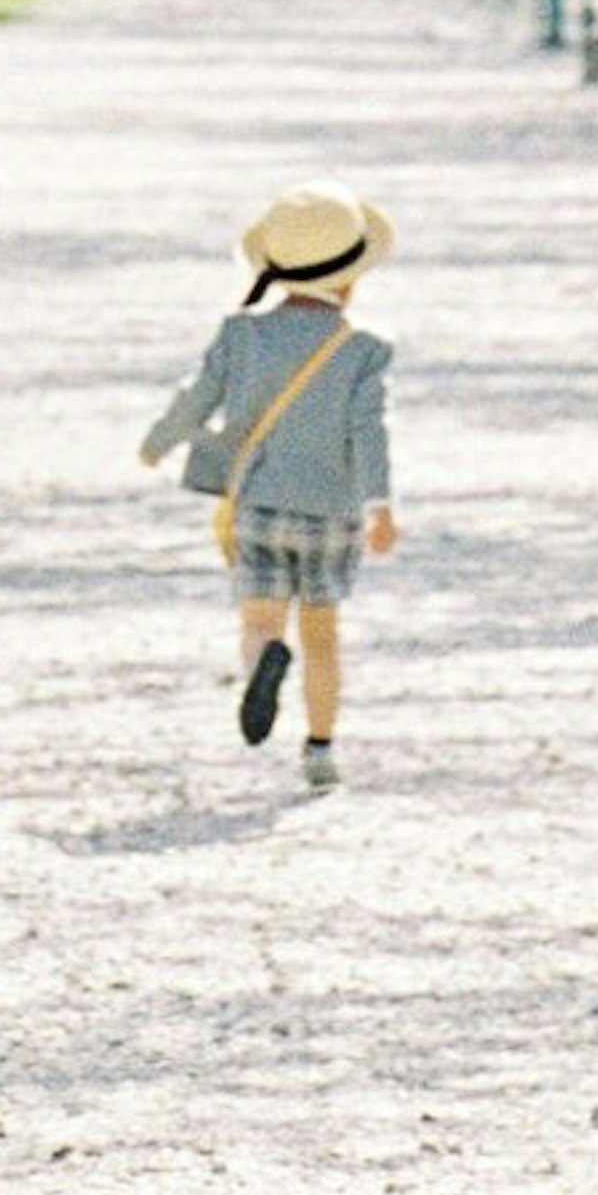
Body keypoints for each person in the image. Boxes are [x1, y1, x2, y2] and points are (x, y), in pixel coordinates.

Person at [140, 188, 397, 791]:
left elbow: (195, 400)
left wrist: (157, 443)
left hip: (256, 504)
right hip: (330, 513)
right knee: (323, 632)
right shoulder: (362, 350)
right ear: (352, 280)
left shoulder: (240, 335)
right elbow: (369, 434)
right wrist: (379, 505)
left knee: (259, 619)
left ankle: (264, 664)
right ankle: (321, 749)